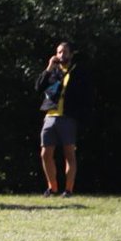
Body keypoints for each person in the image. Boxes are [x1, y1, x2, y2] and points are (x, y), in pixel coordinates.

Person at [35, 41, 92, 197]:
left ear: (71, 54)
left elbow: (85, 96)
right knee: (45, 154)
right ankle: (52, 188)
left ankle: (68, 189)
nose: (61, 55)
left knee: (69, 154)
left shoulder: (78, 72)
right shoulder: (53, 72)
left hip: (68, 118)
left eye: (65, 52)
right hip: (50, 116)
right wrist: (48, 68)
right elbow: (38, 87)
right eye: (59, 52)